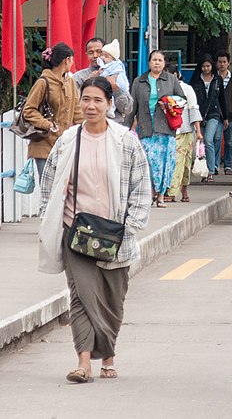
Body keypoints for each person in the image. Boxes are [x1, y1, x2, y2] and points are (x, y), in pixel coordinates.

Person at [37, 76, 151, 383]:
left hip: (116, 234)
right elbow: (49, 182)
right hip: (76, 232)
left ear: (110, 105)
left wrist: (132, 226)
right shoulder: (68, 140)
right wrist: (52, 218)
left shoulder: (125, 140)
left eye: (97, 100)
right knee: (82, 297)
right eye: (85, 99)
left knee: (113, 301)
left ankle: (109, 355)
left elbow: (141, 187)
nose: (90, 106)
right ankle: (83, 362)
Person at [129, 49, 183, 209]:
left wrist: (168, 102)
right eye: (154, 60)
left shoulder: (171, 80)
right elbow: (132, 107)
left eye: (160, 60)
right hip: (146, 128)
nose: (157, 63)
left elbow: (182, 100)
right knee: (149, 162)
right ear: (149, 62)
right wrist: (125, 129)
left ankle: (161, 196)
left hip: (165, 129)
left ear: (164, 63)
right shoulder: (139, 81)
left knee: (165, 163)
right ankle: (151, 192)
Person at [22, 42, 82, 178]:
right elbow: (29, 110)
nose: (72, 63)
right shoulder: (43, 82)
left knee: (65, 193)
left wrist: (87, 128)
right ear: (67, 60)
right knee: (48, 193)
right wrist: (47, 125)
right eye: (72, 59)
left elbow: (77, 110)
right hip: (44, 144)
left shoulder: (70, 82)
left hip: (65, 145)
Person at [166, 67, 202, 203]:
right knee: (175, 163)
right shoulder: (162, 89)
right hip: (169, 131)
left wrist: (198, 131)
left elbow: (194, 109)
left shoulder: (187, 89)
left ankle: (183, 191)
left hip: (185, 131)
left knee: (185, 164)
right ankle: (172, 192)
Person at [191, 55, 227, 181]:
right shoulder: (195, 80)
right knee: (201, 142)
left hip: (214, 113)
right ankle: (203, 169)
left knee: (208, 139)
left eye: (208, 66)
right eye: (203, 66)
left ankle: (210, 171)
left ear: (212, 66)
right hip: (199, 114)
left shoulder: (217, 80)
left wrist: (226, 117)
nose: (206, 68)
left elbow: (222, 98)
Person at [214, 51, 232, 174]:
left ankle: (227, 165)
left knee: (229, 142)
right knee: (216, 139)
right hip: (216, 114)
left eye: (224, 62)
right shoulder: (214, 78)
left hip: (230, 114)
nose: (222, 64)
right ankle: (215, 165)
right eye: (220, 62)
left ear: (228, 63)